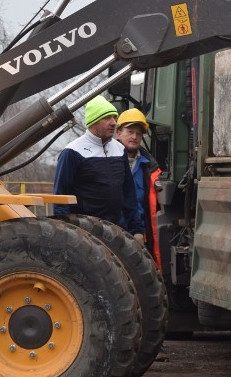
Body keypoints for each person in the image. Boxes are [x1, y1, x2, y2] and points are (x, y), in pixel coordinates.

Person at [53, 95, 145, 240]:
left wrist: (137, 229)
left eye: (114, 118)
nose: (114, 123)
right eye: (107, 118)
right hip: (84, 234)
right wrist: (64, 235)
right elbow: (60, 197)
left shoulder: (119, 149)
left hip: (117, 230)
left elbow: (129, 193)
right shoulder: (72, 152)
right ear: (93, 121)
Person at [116, 108, 164, 271]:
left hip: (140, 238)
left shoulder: (150, 168)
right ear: (118, 132)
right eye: (130, 131)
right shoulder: (105, 161)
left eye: (138, 133)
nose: (134, 137)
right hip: (113, 235)